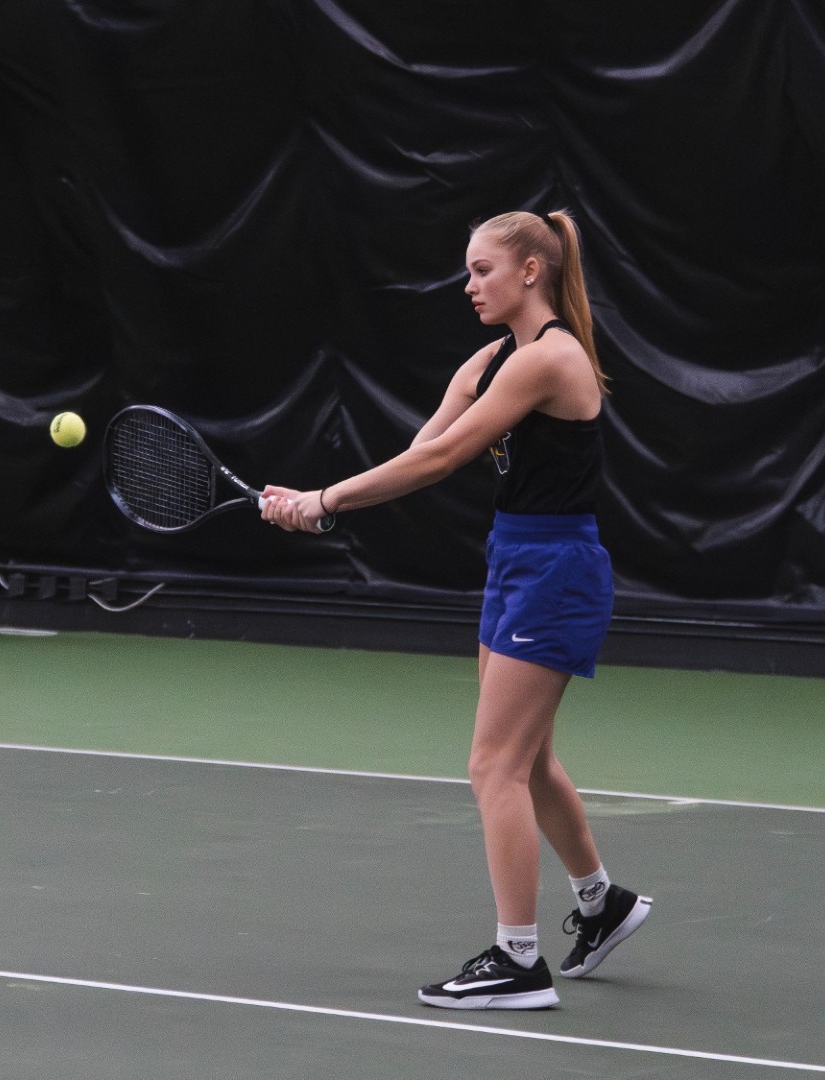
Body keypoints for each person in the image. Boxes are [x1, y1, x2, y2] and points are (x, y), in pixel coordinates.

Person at [261, 209, 651, 1010]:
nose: (467, 284)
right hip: (514, 561)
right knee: (526, 760)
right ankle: (601, 903)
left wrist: (326, 501)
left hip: (557, 570)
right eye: (467, 270)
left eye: (481, 269)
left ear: (531, 271)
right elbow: (419, 449)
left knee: (492, 766)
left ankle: (518, 962)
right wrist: (313, 502)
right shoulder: (488, 361)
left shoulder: (550, 359)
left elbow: (444, 458)